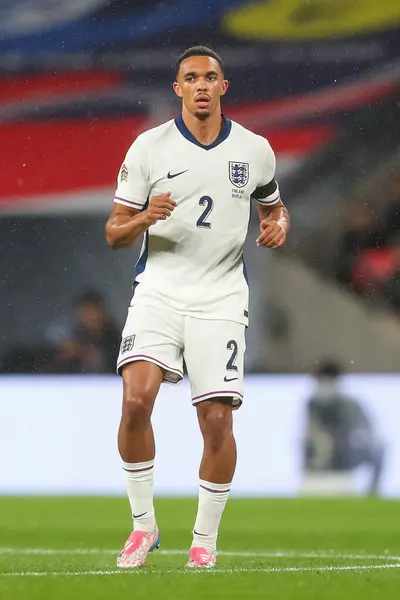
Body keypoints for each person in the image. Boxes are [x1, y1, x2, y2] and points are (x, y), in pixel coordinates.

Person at [105, 45, 290, 569]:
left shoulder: (255, 149)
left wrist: (278, 225)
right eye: (192, 77)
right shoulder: (149, 147)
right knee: (136, 401)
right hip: (159, 292)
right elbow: (114, 232)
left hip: (221, 299)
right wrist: (145, 218)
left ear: (224, 87)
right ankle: (143, 529)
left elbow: (274, 207)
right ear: (178, 88)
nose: (202, 85)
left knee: (216, 422)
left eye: (211, 76)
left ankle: (204, 540)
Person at [304, 360, 385, 496]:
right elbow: (313, 435)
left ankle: (372, 493)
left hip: (346, 455)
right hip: (321, 459)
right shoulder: (313, 404)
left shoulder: (350, 404)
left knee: (379, 448)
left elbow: (366, 429)